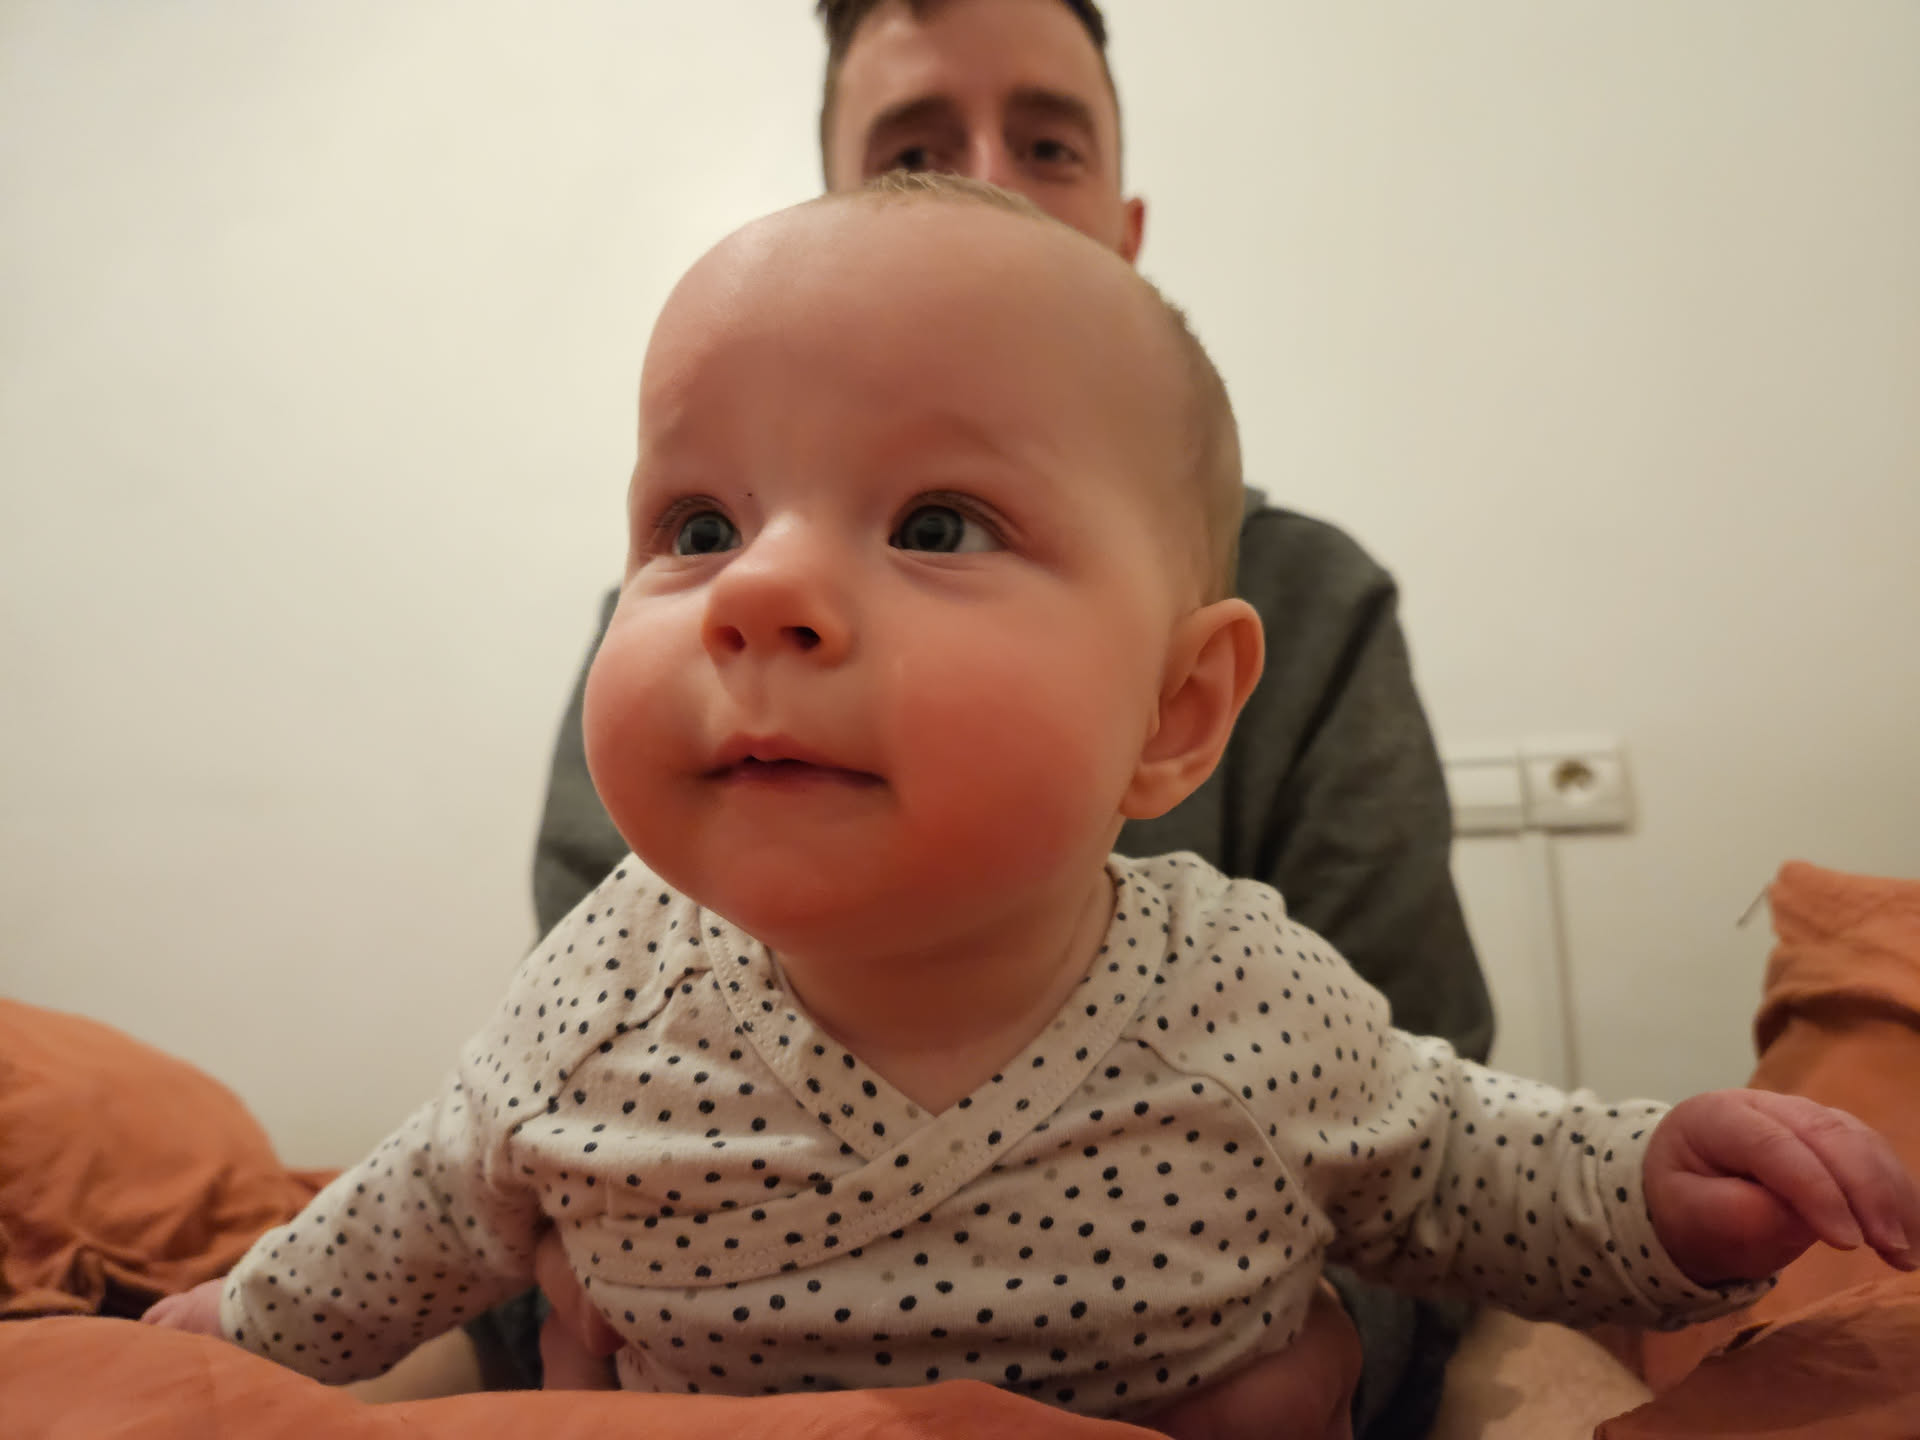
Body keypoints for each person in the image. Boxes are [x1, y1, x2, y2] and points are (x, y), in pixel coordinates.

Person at [146, 177, 1920, 1440]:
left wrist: (1656, 1191)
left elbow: (1453, 1165)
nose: (758, 590)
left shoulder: (1244, 992)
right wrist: (236, 1323)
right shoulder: (599, 993)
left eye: (936, 524)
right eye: (695, 525)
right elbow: (422, 1204)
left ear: (1176, 710)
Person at [525, 3, 1493, 1430]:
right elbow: (536, 1121)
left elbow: (1420, 1137)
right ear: (841, 217)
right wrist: (570, 1287)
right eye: (915, 152)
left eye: (1047, 145)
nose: (987, 184)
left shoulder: (1313, 600)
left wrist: (1326, 1347)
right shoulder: (678, 635)